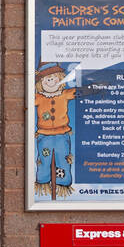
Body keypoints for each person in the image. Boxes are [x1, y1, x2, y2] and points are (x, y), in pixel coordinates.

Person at [34, 60, 76, 200]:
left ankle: (62, 183)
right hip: (44, 135)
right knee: (44, 159)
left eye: (53, 78)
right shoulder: (38, 98)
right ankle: (43, 181)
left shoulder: (64, 94)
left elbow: (79, 92)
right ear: (40, 82)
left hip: (62, 135)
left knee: (62, 158)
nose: (50, 81)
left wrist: (99, 85)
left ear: (60, 79)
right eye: (46, 78)